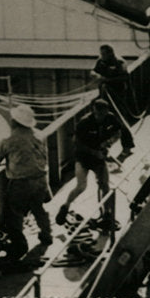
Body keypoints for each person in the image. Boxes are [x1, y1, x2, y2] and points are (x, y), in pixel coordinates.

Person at [0, 105, 52, 259]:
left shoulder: (9, 141)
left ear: (14, 122)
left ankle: (20, 246)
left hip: (21, 183)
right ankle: (47, 235)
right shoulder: (39, 135)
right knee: (38, 208)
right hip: (40, 180)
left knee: (13, 214)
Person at [55, 98, 122, 230]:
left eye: (103, 115)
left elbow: (117, 133)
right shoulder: (84, 123)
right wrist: (93, 152)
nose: (100, 117)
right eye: (98, 114)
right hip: (83, 158)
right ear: (93, 111)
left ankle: (107, 215)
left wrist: (109, 143)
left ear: (107, 112)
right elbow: (77, 144)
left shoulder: (110, 118)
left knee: (105, 186)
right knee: (81, 186)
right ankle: (65, 206)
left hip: (99, 158)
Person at [90, 45, 134, 154]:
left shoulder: (119, 62)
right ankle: (103, 148)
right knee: (102, 120)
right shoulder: (101, 61)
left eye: (104, 54)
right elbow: (93, 70)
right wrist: (95, 75)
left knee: (120, 120)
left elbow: (125, 77)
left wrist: (107, 80)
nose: (102, 56)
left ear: (111, 53)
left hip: (117, 96)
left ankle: (127, 146)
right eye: (101, 54)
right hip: (104, 96)